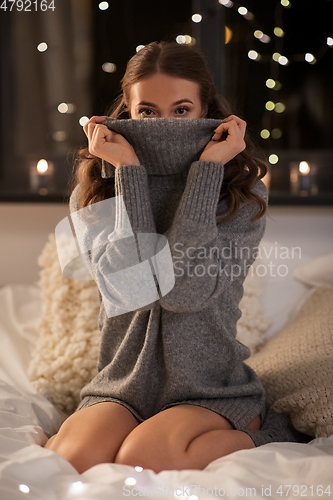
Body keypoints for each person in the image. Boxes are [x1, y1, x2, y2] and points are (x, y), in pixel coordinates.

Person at [43, 40, 274, 474]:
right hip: (123, 384)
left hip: (208, 388)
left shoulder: (241, 192)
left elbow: (184, 293)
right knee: (68, 461)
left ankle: (263, 429)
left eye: (182, 110)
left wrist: (207, 172)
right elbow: (131, 290)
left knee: (142, 458)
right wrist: (128, 173)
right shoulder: (94, 189)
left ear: (206, 109)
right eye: (147, 112)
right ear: (127, 112)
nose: (164, 124)